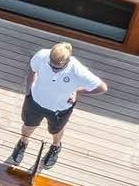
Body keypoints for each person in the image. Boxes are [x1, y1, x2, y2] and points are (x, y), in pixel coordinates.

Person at [10, 41, 105, 172]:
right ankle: (23, 142)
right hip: (35, 101)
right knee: (28, 125)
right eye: (51, 65)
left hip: (60, 108)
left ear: (67, 61)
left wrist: (77, 91)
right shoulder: (42, 55)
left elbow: (102, 87)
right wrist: (28, 91)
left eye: (57, 68)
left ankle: (55, 146)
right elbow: (32, 71)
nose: (53, 69)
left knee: (56, 131)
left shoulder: (78, 70)